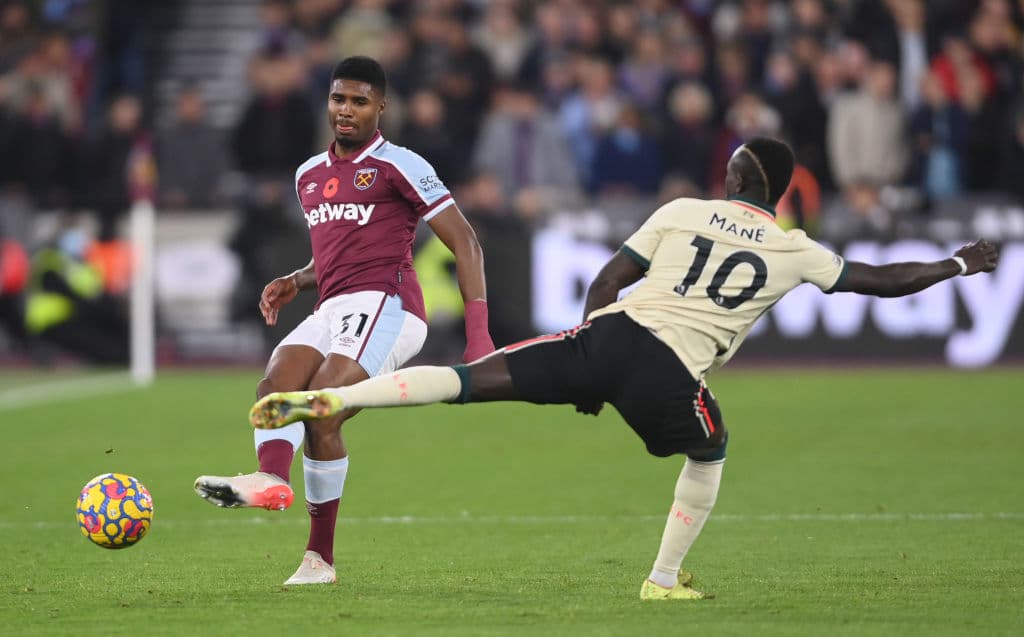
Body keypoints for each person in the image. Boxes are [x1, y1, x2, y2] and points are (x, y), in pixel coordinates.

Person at [249, 137, 999, 599]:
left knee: (471, 381)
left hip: (604, 339)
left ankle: (334, 401)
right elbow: (878, 279)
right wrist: (956, 263)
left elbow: (607, 278)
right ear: (776, 189)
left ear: (735, 175)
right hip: (672, 368)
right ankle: (662, 581)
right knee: (711, 448)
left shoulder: (680, 209)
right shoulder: (793, 245)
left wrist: (587, 364)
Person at [194, 56, 496, 586]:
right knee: (275, 389)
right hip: (332, 304)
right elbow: (336, 254)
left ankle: (318, 556)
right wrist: (297, 279)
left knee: (320, 407)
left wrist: (478, 335)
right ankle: (273, 486)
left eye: (359, 101)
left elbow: (465, 241)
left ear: (381, 107)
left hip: (390, 305)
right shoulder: (308, 175)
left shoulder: (400, 164)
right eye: (339, 99)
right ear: (327, 102)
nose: (346, 111)